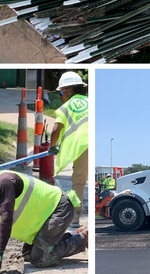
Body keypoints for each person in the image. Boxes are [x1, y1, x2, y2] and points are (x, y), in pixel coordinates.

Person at [0, 161, 87, 270]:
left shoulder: (4, 182)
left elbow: (6, 218)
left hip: (59, 209)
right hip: (46, 216)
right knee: (27, 254)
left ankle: (83, 239)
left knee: (39, 259)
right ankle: (74, 237)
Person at [50, 71, 88, 227]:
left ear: (69, 91)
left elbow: (55, 130)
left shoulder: (65, 108)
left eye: (61, 93)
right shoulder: (90, 101)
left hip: (83, 146)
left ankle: (75, 218)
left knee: (79, 183)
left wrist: (53, 147)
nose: (60, 96)